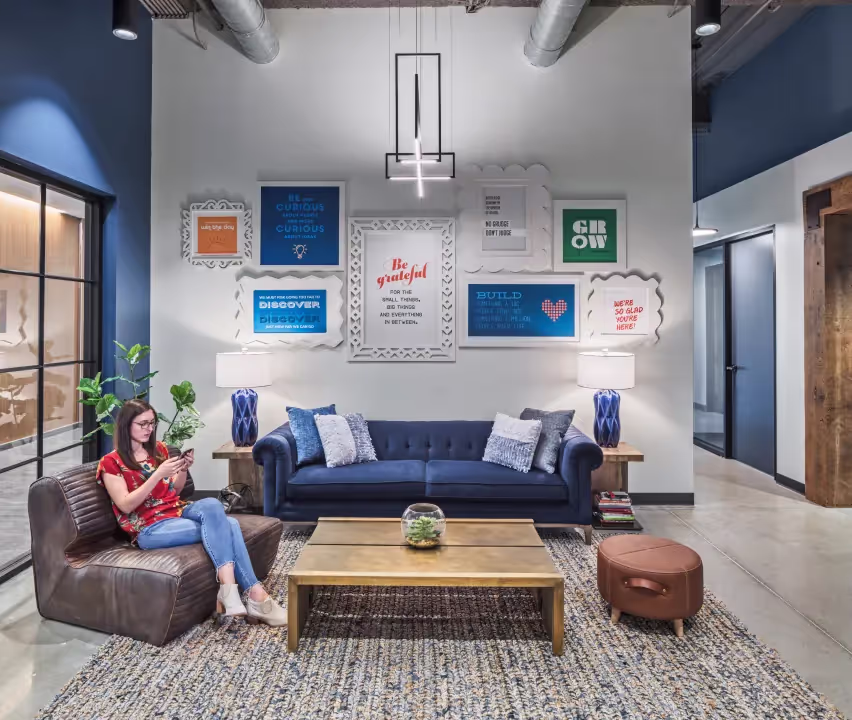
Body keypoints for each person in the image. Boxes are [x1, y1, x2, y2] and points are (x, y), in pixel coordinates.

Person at [96, 398, 286, 627]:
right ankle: (255, 597)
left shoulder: (159, 450)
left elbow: (174, 490)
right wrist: (157, 474)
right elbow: (126, 505)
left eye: (152, 423)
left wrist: (183, 469)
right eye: (143, 424)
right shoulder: (111, 463)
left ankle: (229, 591)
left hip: (177, 512)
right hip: (150, 529)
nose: (149, 429)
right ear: (126, 425)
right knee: (231, 525)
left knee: (212, 505)